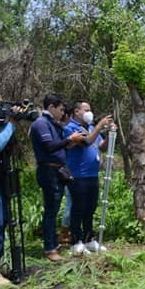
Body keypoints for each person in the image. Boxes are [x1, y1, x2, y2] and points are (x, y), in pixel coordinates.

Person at [30, 93, 85, 262]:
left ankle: (53, 242)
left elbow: (59, 148)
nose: (63, 113)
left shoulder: (54, 125)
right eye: (61, 109)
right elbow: (49, 147)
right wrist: (69, 139)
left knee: (54, 209)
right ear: (51, 107)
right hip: (48, 172)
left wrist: (70, 143)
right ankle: (50, 248)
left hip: (58, 171)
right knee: (51, 212)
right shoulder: (41, 124)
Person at [64, 100, 112, 253]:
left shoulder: (91, 128)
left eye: (90, 110)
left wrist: (110, 134)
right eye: (86, 110)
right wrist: (99, 126)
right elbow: (86, 142)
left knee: (90, 208)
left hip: (92, 174)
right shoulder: (71, 128)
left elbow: (101, 146)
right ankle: (76, 241)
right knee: (78, 208)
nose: (89, 113)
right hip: (78, 175)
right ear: (76, 112)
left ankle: (89, 238)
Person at [0, 90, 21, 286]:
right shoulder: (3, 127)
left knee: (1, 222)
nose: (0, 108)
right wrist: (11, 124)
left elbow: (6, 147)